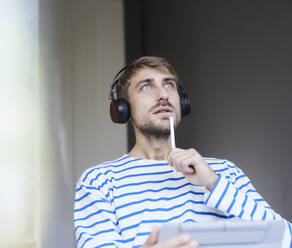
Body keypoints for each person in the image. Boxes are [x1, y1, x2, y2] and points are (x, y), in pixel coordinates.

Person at [73, 56, 292, 248]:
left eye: (169, 85)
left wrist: (215, 183)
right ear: (123, 108)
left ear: (182, 102)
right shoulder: (98, 181)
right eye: (147, 87)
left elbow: (287, 239)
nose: (163, 96)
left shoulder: (224, 171)